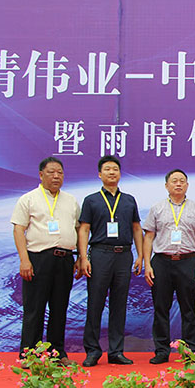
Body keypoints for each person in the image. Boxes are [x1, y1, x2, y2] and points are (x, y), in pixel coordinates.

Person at [11, 157, 80, 366]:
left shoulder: (71, 200)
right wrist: (24, 260)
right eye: (51, 172)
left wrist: (80, 257)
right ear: (41, 175)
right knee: (35, 308)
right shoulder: (29, 199)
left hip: (65, 259)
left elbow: (78, 229)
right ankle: (29, 355)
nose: (56, 176)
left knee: (59, 308)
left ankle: (56, 353)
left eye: (60, 172)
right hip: (38, 258)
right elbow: (18, 229)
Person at [77, 156, 143, 367]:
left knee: (119, 304)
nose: (112, 172)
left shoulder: (129, 200)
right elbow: (84, 229)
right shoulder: (91, 200)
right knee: (95, 303)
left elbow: (136, 228)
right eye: (107, 169)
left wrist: (141, 255)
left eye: (115, 169)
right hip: (100, 254)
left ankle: (116, 351)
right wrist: (83, 257)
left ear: (120, 174)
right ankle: (92, 351)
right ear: (100, 174)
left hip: (123, 255)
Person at [143, 169, 195, 364]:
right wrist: (147, 264)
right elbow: (149, 237)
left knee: (189, 308)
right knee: (161, 308)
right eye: (174, 181)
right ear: (166, 185)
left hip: (188, 262)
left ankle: (191, 351)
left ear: (187, 185)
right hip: (161, 262)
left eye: (182, 181)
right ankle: (162, 351)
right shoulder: (157, 208)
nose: (178, 184)